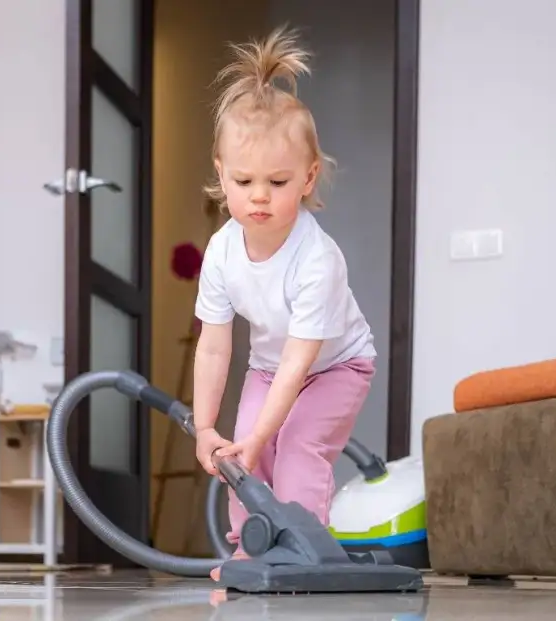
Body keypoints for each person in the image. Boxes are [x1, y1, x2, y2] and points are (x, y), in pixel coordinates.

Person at [191, 26, 377, 581]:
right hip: (269, 369)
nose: (260, 195)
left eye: (278, 180)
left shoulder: (318, 259)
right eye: (244, 180)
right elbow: (215, 348)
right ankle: (251, 556)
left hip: (337, 367)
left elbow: (302, 363)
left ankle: (303, 555)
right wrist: (207, 429)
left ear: (308, 177)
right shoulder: (222, 251)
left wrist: (263, 432)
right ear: (222, 175)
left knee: (294, 448)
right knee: (242, 460)